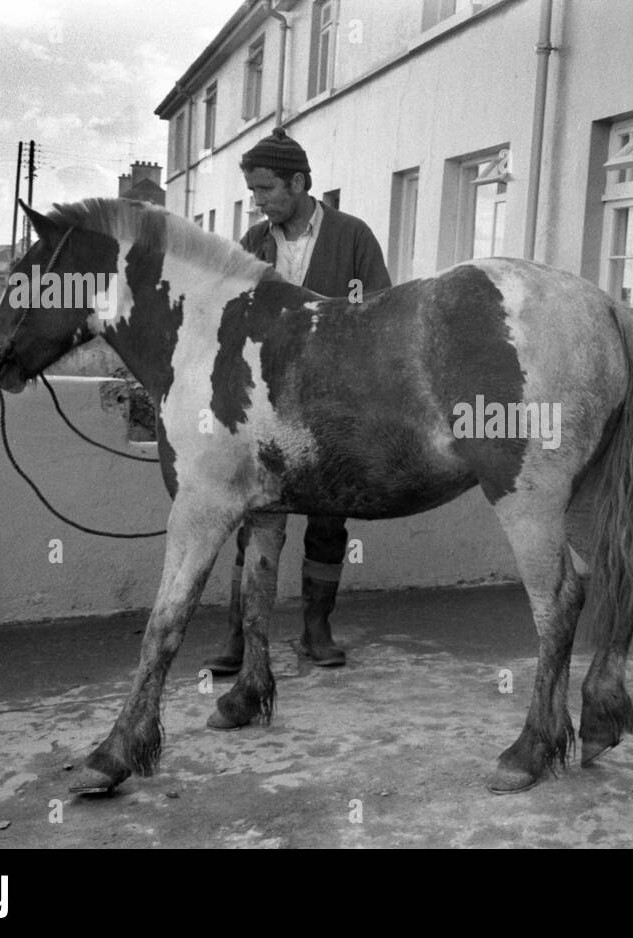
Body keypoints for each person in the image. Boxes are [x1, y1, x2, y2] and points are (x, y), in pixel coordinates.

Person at [204, 127, 391, 673]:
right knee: (256, 515)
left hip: (335, 403)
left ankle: (316, 628)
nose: (257, 201)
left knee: (331, 517)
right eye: (252, 191)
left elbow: (376, 312)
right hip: (265, 405)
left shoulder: (352, 236)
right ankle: (240, 635)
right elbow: (227, 318)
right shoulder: (253, 245)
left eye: (264, 189)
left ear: (299, 182)